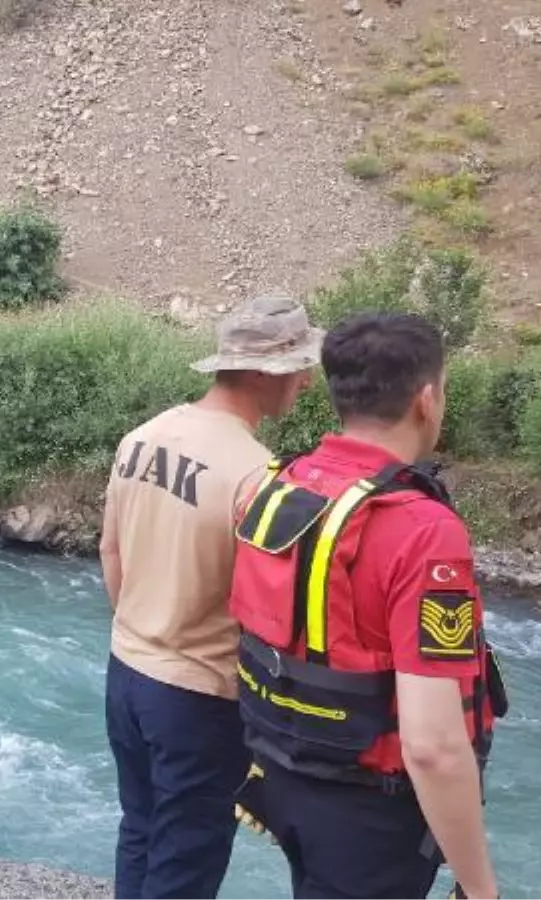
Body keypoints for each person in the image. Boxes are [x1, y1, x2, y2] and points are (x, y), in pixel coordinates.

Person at [229, 312, 508, 900]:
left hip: (284, 774)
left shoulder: (285, 483)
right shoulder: (423, 529)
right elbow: (432, 745)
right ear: (427, 399)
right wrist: (482, 889)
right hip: (370, 814)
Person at [99, 292, 322, 900]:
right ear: (260, 374)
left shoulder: (143, 437)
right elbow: (270, 614)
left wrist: (146, 632)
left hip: (126, 673)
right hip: (198, 697)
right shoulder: (257, 476)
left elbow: (111, 553)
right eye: (299, 367)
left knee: (140, 830)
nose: (306, 380)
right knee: (186, 859)